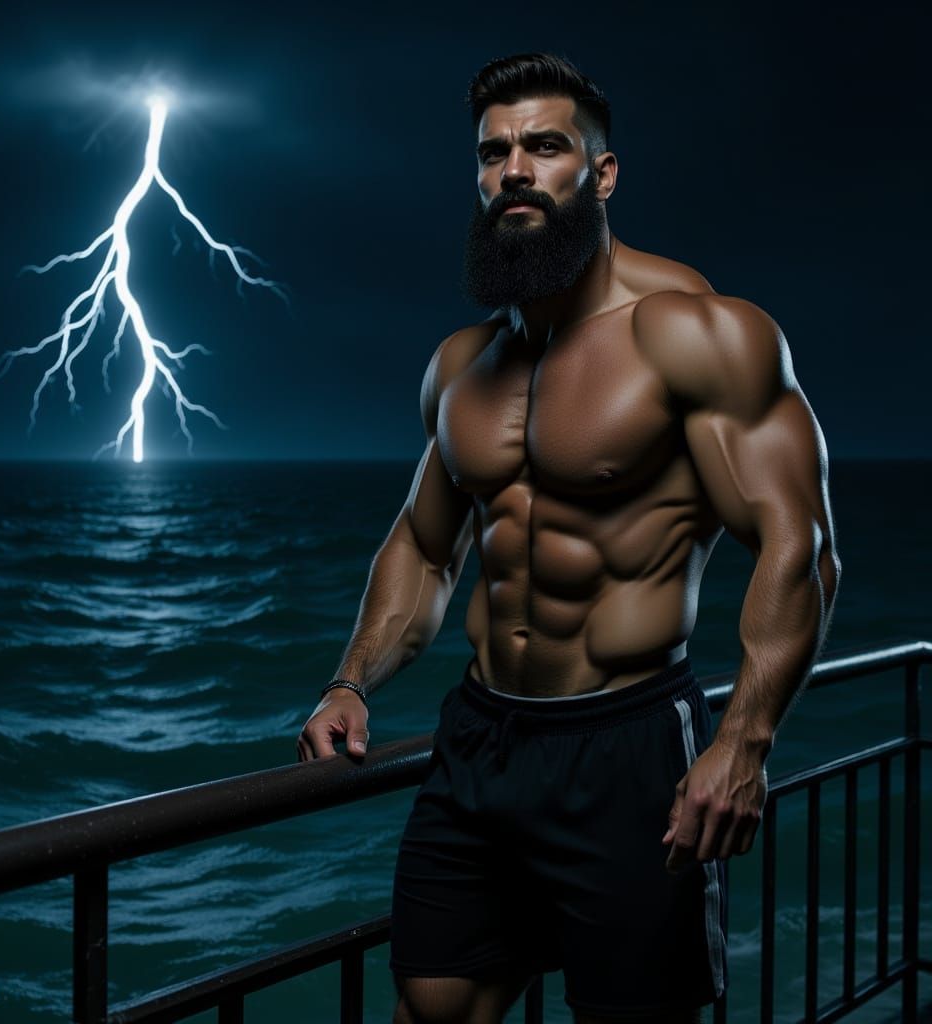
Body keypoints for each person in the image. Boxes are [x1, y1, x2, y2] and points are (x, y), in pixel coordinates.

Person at [296, 52, 841, 1024]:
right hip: (480, 740)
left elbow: (798, 545)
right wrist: (350, 679)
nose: (514, 169)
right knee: (434, 1001)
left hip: (625, 744)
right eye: (492, 151)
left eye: (544, 146)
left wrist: (743, 741)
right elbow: (423, 549)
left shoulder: (692, 335)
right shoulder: (462, 366)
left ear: (601, 172)